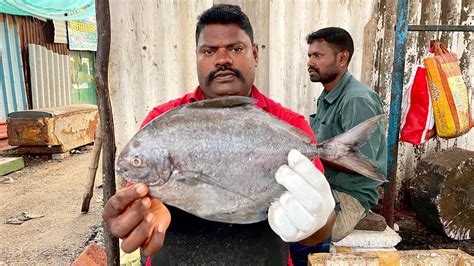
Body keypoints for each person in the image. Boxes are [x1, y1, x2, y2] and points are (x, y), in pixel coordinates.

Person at [103, 4, 336, 265]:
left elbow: (320, 231)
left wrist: (318, 221)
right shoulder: (162, 124)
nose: (222, 59)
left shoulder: (287, 124)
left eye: (236, 49)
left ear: (255, 53)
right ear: (197, 57)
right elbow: (138, 200)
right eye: (209, 50)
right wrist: (137, 216)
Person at [306, 27, 387, 242]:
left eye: (318, 56)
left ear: (342, 58)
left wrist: (311, 153)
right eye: (309, 56)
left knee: (300, 232)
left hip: (348, 195)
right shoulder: (328, 95)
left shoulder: (357, 99)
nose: (310, 63)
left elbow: (364, 163)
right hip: (325, 186)